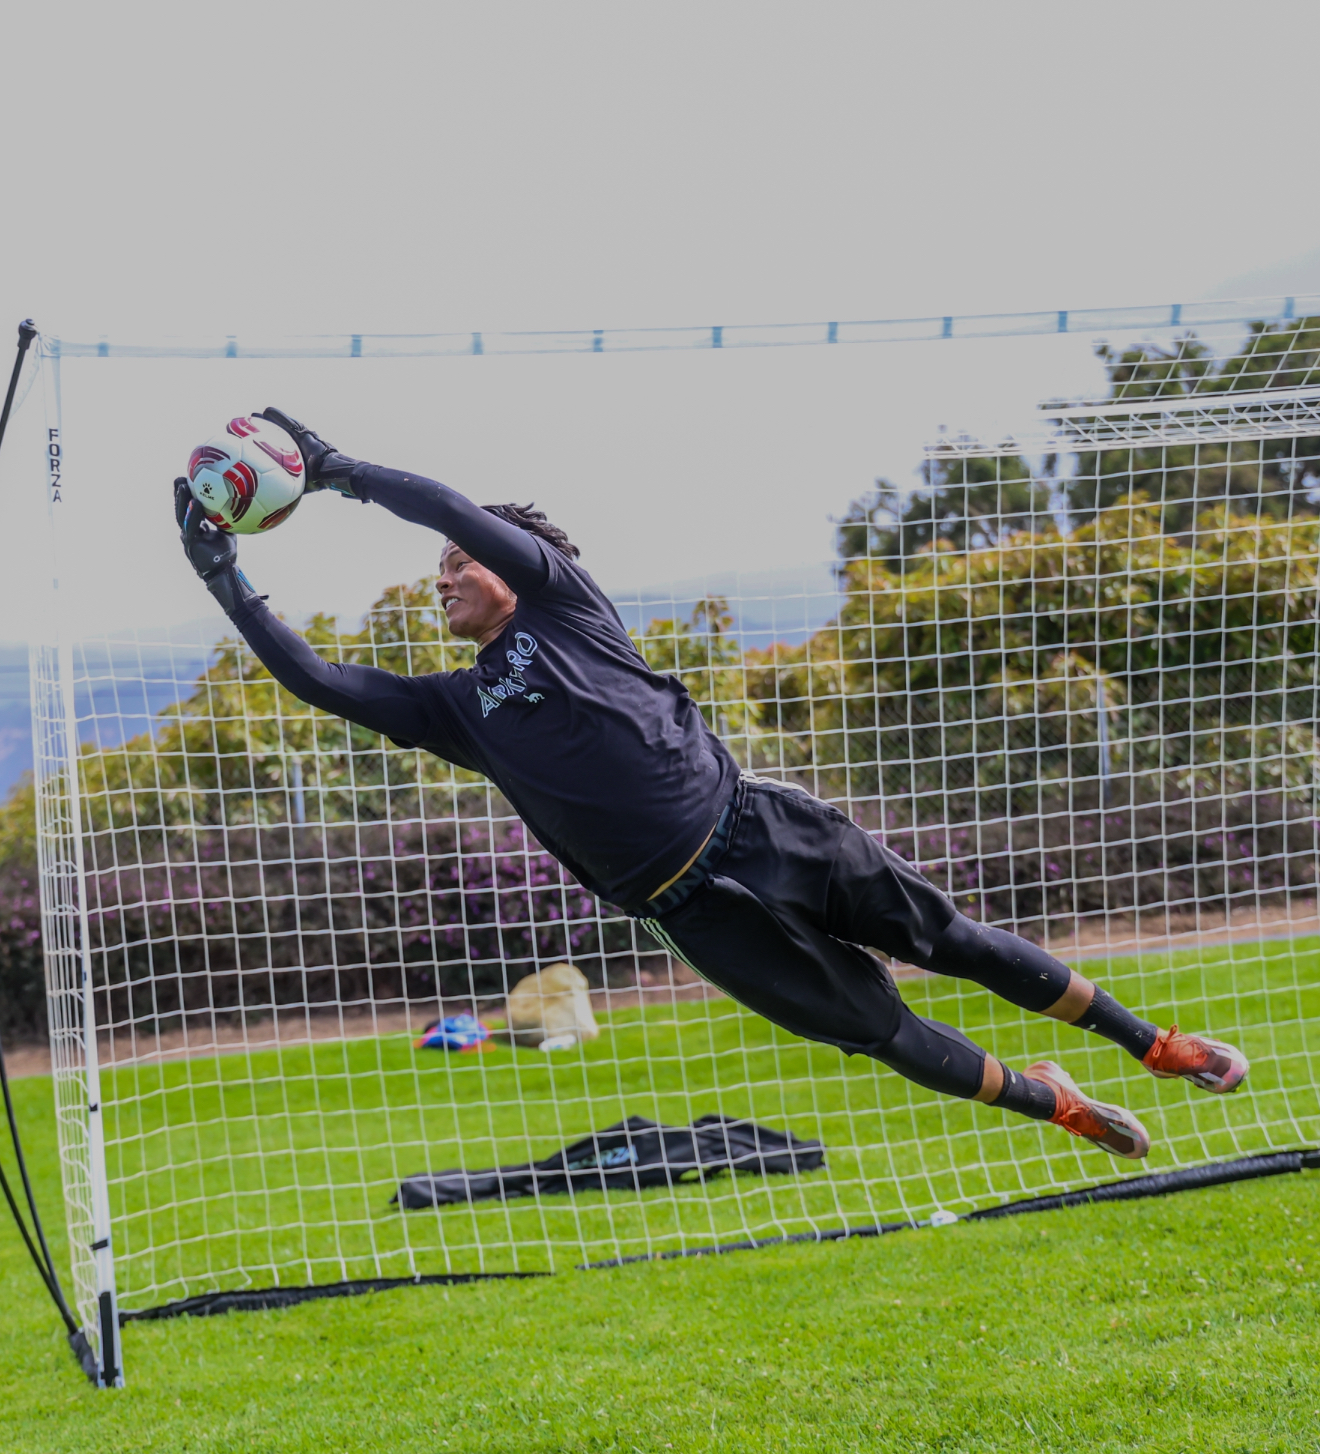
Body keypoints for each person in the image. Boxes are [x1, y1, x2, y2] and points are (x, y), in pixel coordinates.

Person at [173, 409, 1249, 1161]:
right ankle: (1056, 1106)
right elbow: (321, 679)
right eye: (439, 565)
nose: (441, 572)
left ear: (514, 560)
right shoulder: (460, 708)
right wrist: (227, 578)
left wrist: (334, 466)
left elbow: (444, 502)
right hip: (687, 910)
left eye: (457, 559)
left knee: (953, 941)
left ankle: (1153, 1044)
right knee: (882, 1032)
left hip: (760, 827)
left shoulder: (561, 602)